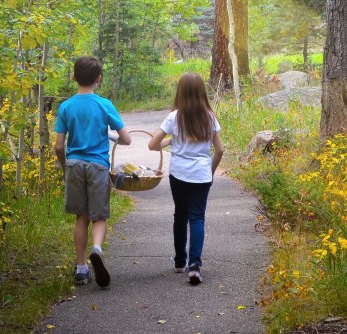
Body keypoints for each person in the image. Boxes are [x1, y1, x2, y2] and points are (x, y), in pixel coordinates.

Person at [54, 56, 131, 288]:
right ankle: (96, 249)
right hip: (98, 166)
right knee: (99, 216)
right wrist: (112, 136)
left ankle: (80, 269)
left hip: (75, 165)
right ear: (99, 79)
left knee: (81, 216)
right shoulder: (104, 104)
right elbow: (126, 139)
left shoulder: (66, 106)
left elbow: (58, 146)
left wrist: (64, 167)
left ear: (74, 77)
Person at [148, 72, 224, 285]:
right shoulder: (210, 117)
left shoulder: (174, 117)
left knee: (180, 215)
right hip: (201, 174)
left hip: (179, 174)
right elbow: (219, 150)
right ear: (201, 91)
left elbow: (152, 145)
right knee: (197, 218)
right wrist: (210, 171)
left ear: (180, 91)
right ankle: (195, 266)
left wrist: (170, 141)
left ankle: (180, 262)